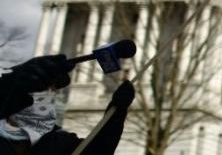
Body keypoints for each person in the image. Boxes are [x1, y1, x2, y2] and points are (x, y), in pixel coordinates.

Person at [0, 54, 134, 154]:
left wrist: (116, 114)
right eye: (41, 87)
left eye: (52, 90)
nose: (47, 95)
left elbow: (97, 150)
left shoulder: (54, 141)